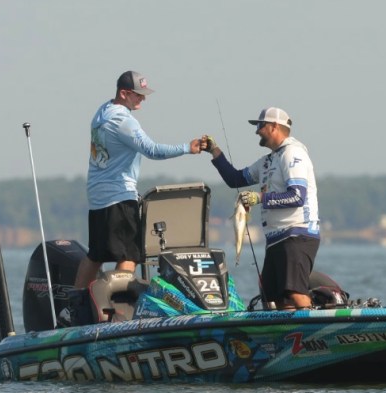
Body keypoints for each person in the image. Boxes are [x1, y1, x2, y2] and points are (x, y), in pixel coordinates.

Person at [72, 70, 201, 294]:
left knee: (96, 255)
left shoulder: (101, 112)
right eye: (138, 94)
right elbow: (152, 150)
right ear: (123, 94)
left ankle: (74, 304)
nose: (143, 98)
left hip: (97, 196)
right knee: (129, 256)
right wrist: (187, 148)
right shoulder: (123, 121)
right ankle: (118, 304)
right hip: (120, 195)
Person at [201, 107, 320, 310]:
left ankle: (315, 328)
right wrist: (214, 151)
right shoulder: (267, 161)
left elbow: (297, 196)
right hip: (275, 238)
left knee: (295, 294)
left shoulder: (293, 154)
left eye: (260, 126)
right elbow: (235, 179)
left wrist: (259, 197)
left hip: (297, 234)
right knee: (271, 300)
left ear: (274, 127)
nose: (257, 131)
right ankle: (286, 331)